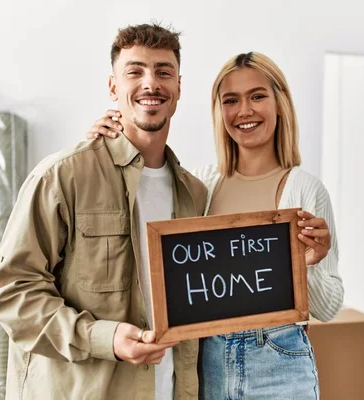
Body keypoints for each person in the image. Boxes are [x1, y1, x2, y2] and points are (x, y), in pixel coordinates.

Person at [87, 51, 344, 399]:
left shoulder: (305, 190)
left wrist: (307, 264)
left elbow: (328, 308)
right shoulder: (201, 186)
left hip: (277, 362)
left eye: (257, 96)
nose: (245, 111)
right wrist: (102, 146)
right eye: (231, 100)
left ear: (279, 103)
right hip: (207, 361)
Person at [0, 23, 207, 400]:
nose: (151, 83)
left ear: (179, 88)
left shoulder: (195, 194)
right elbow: (9, 291)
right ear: (113, 87)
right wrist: (104, 338)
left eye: (163, 71)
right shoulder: (64, 175)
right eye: (135, 71)